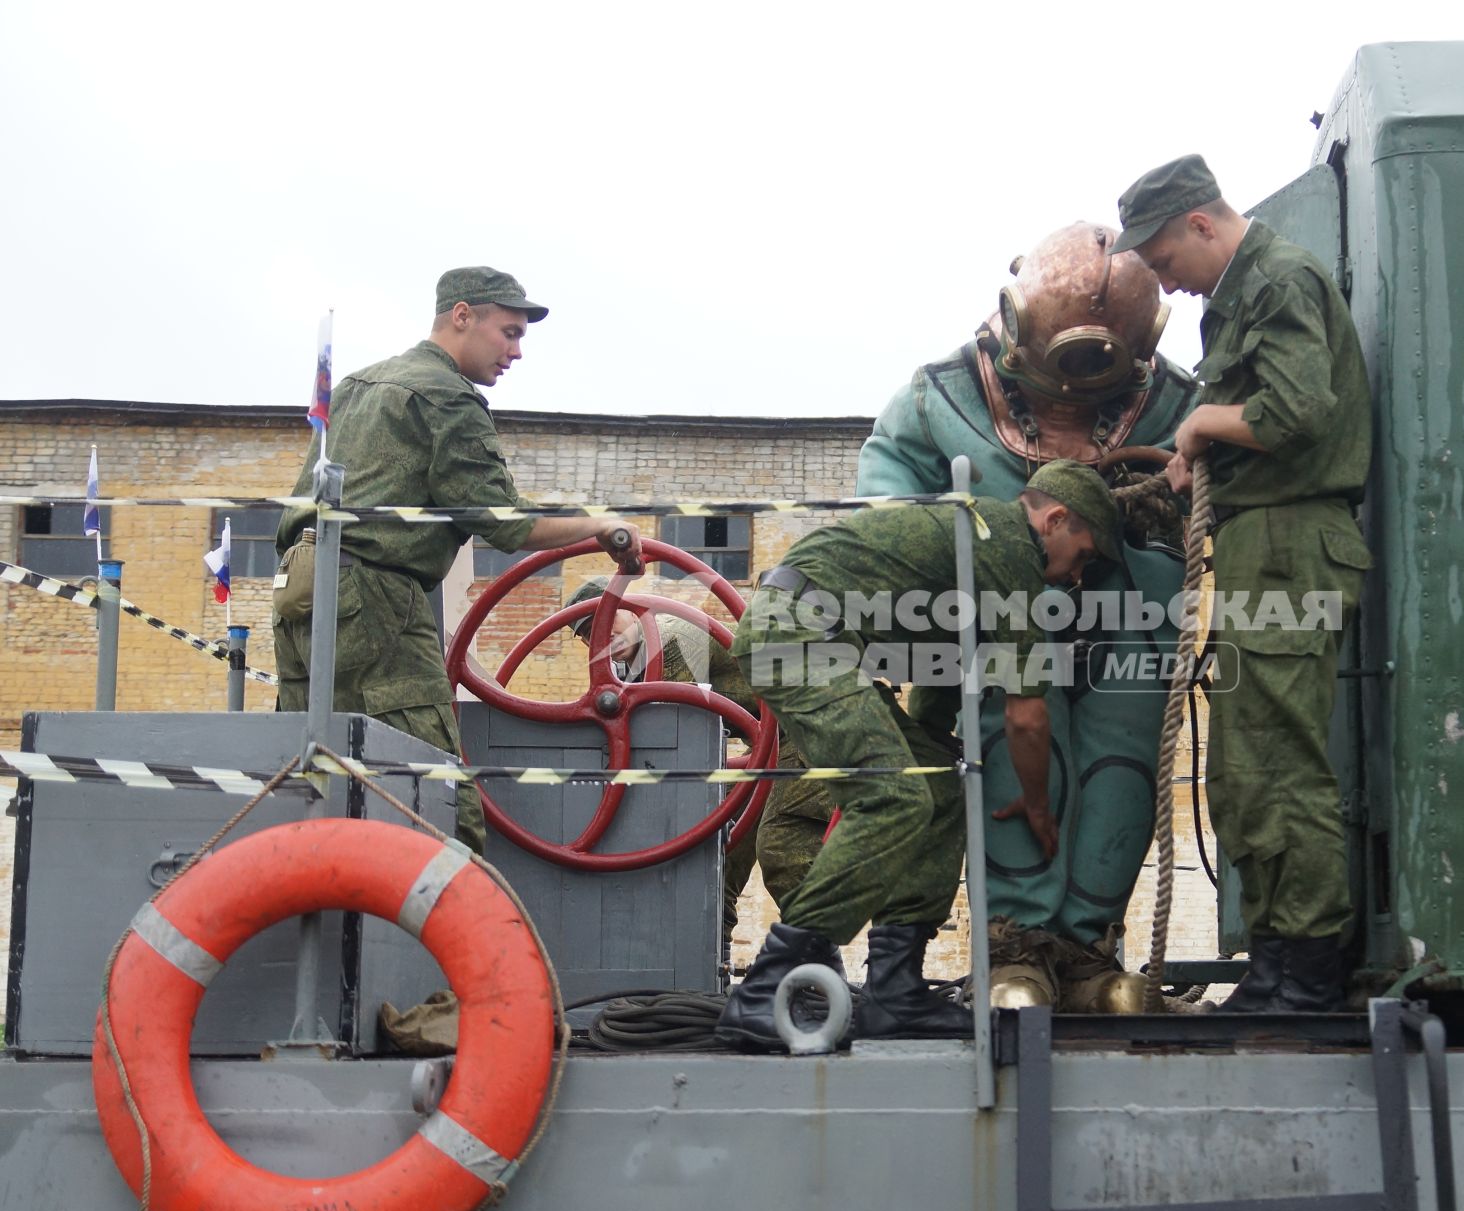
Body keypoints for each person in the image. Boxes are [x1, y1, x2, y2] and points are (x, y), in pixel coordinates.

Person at [856, 222, 1198, 1014]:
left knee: (1122, 766)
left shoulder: (1177, 402)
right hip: (1000, 614)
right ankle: (1017, 945)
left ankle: (1087, 950)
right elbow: (886, 483)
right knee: (1005, 759)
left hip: (1131, 613)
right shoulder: (941, 395)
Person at [715, 460, 1122, 1051]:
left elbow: (935, 690)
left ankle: (895, 990)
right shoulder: (1008, 547)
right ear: (1055, 519)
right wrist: (1037, 806)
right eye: (1081, 554)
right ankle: (763, 990)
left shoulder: (970, 543)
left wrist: (937, 751)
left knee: (937, 785)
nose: (1077, 575)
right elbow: (1027, 715)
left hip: (817, 638)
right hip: (799, 633)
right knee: (892, 796)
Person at [1110, 155, 1374, 1013]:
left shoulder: (1277, 281)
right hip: (1261, 539)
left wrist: (1198, 426)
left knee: (1278, 766)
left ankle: (1305, 969)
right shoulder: (1241, 296)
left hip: (1295, 542)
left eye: (1162, 263)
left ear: (1199, 224)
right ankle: (1272, 959)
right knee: (1239, 770)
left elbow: (1298, 413)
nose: (1166, 285)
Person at [273, 267, 643, 855]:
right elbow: (502, 522)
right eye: (510, 332)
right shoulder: (447, 396)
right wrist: (602, 526)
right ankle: (457, 940)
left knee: (315, 784)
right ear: (462, 316)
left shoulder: (355, 387)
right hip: (376, 601)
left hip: (300, 594)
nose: (517, 352)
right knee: (441, 801)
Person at [562, 578, 831, 934]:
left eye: (604, 621)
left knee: (783, 847)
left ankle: (819, 963)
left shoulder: (672, 638)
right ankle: (707, 963)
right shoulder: (632, 665)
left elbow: (665, 737)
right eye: (587, 633)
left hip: (811, 725)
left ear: (629, 607)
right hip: (772, 744)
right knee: (720, 858)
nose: (600, 637)